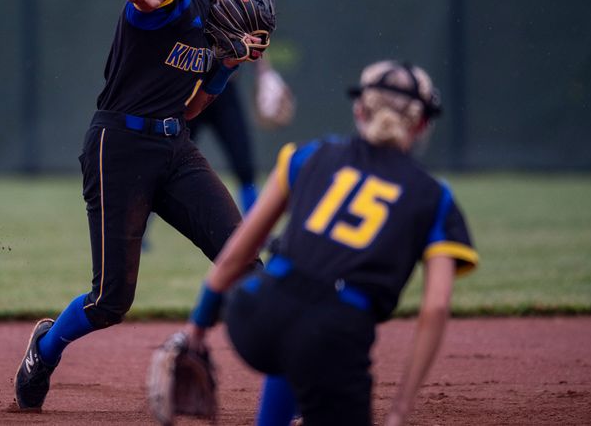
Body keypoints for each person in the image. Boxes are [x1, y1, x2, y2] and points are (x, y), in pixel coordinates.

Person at [13, 0, 260, 411]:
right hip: (119, 147)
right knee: (110, 301)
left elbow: (194, 110)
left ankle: (296, 386)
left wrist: (230, 61)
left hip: (175, 146)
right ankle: (44, 349)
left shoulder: (207, 11)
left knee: (243, 263)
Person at [186, 60, 479, 425]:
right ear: (421, 125)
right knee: (310, 342)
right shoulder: (435, 197)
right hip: (332, 333)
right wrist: (400, 410)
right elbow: (435, 309)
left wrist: (195, 328)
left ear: (359, 110)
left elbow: (238, 251)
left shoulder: (307, 155)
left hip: (254, 317)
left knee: (291, 335)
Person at [192, 0, 291, 213]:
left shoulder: (240, 4)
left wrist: (266, 75)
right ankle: (142, 226)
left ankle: (254, 227)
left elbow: (256, 43)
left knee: (244, 164)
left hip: (224, 94)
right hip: (190, 93)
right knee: (167, 161)